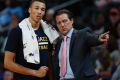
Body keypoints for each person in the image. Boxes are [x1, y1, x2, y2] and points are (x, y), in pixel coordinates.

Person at [4, 0, 59, 80]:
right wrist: (35, 72)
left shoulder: (48, 30)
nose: (39, 12)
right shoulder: (17, 31)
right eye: (36, 8)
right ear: (30, 10)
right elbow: (7, 63)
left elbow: (49, 60)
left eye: (42, 9)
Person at [53, 9, 109, 80]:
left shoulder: (81, 34)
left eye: (64, 21)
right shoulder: (58, 43)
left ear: (72, 21)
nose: (62, 25)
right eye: (59, 23)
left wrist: (99, 38)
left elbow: (92, 38)